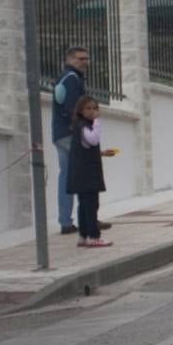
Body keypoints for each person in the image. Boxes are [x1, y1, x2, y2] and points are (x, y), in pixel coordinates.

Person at [50, 47, 110, 235]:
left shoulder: (68, 77)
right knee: (84, 176)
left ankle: (68, 221)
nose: (84, 61)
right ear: (69, 60)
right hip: (69, 135)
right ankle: (87, 220)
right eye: (80, 58)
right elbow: (72, 108)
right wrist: (82, 129)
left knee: (68, 176)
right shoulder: (71, 79)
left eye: (86, 58)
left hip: (61, 134)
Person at [66, 95, 112, 248]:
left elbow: (86, 147)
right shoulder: (84, 125)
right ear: (80, 110)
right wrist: (98, 123)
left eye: (95, 108)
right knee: (91, 205)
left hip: (80, 173)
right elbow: (93, 140)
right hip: (87, 175)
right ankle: (93, 236)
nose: (93, 111)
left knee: (83, 205)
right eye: (89, 108)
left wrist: (102, 153)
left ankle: (83, 236)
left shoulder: (79, 125)